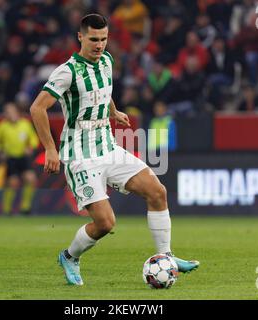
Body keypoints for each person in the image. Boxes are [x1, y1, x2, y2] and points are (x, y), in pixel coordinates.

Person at [30, 13, 199, 286]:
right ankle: (70, 256)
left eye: (104, 39)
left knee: (157, 192)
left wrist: (113, 110)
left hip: (108, 147)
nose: (99, 45)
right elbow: (37, 108)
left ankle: (165, 256)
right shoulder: (67, 72)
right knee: (105, 224)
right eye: (94, 39)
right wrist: (50, 149)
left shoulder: (107, 61)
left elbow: (104, 90)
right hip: (80, 156)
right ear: (80, 37)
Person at [0, 102, 39, 215]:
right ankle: (6, 209)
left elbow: (33, 139)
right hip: (10, 158)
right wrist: (0, 151)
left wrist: (30, 147)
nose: (8, 114)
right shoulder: (1, 126)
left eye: (10, 111)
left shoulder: (25, 124)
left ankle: (25, 207)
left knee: (31, 179)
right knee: (13, 183)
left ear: (17, 112)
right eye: (6, 112)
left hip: (23, 157)